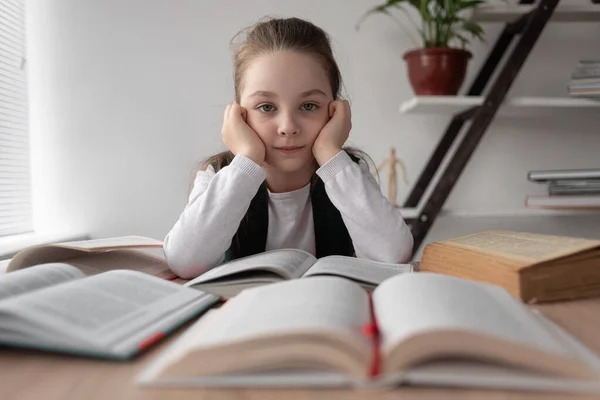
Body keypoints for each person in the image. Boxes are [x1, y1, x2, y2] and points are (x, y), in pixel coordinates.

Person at [164, 16, 414, 279]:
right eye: (266, 107)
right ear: (238, 114)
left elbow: (393, 255)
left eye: (308, 106)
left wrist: (330, 154)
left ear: (334, 111)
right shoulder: (219, 174)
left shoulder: (346, 173)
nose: (287, 127)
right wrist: (247, 160)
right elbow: (185, 261)